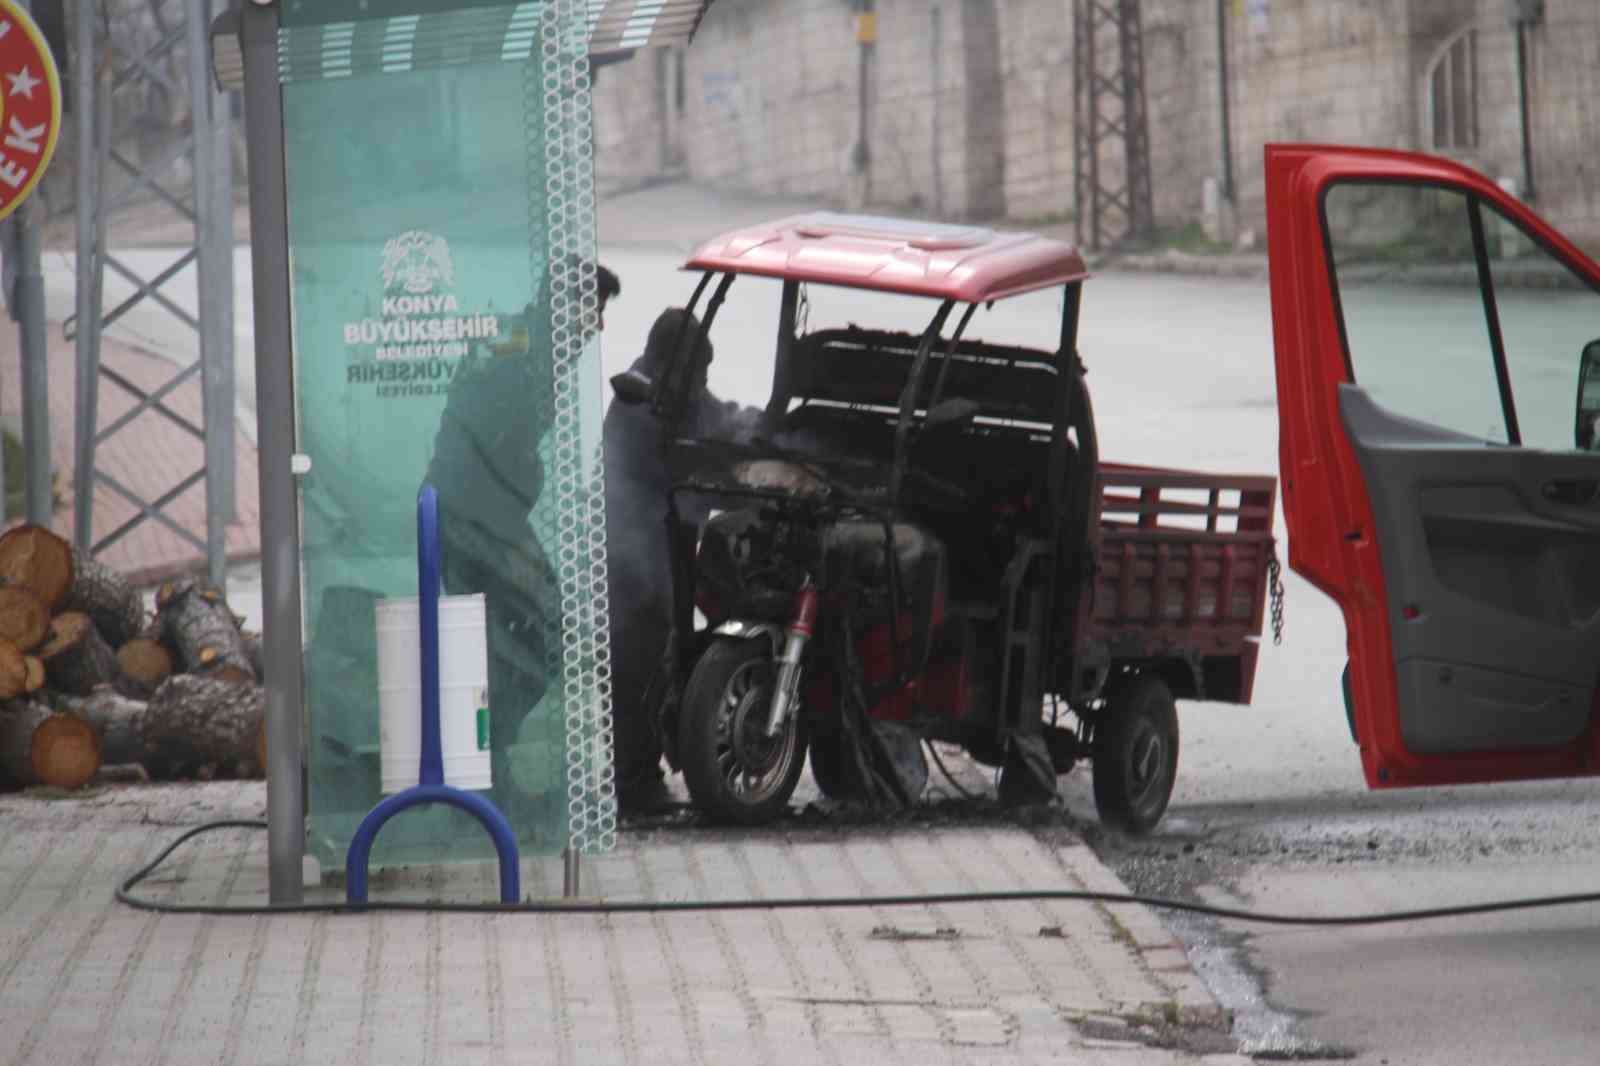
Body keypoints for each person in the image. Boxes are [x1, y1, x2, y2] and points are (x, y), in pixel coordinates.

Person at [425, 262, 620, 814]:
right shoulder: (521, 355)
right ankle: (486, 769)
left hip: (480, 516)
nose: (597, 327)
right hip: (473, 518)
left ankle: (487, 771)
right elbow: (490, 444)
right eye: (592, 311)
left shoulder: (530, 348)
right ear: (564, 306)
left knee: (512, 642)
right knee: (549, 632)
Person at [603, 308, 753, 813]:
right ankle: (635, 784)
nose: (703, 384)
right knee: (638, 671)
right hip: (632, 564)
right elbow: (690, 466)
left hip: (662, 556)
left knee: (656, 664)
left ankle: (641, 777)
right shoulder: (637, 406)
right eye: (698, 374)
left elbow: (717, 418)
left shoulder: (672, 395)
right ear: (674, 365)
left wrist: (764, 430)